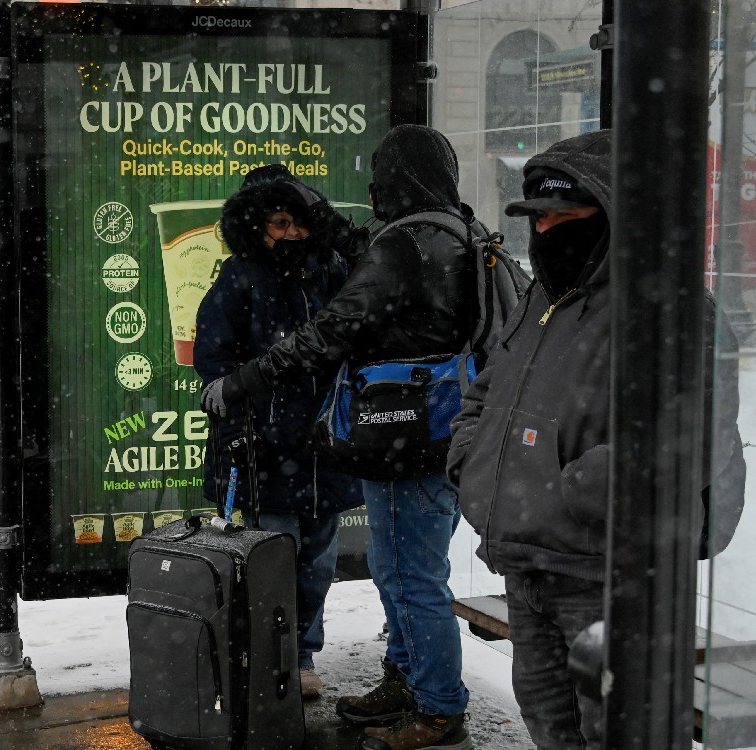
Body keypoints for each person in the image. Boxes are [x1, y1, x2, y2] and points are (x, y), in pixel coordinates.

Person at [446, 129, 746, 750]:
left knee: (617, 734)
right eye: (538, 217)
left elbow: (687, 440)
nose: (547, 231)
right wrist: (471, 459)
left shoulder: (668, 306)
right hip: (528, 568)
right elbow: (488, 390)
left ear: (613, 216)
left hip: (607, 579)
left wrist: (567, 492)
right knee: (553, 730)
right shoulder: (543, 297)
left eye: (564, 215)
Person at [202, 125, 475, 750]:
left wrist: (254, 375)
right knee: (393, 568)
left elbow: (337, 326)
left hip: (400, 435)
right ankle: (405, 680)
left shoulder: (410, 243)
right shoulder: (454, 232)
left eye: (382, 175)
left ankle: (436, 706)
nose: (375, 188)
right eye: (280, 221)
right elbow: (372, 269)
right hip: (410, 433)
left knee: (406, 575)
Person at [195, 164, 364, 700]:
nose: (291, 234)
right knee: (274, 560)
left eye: (299, 222)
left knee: (317, 563)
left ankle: (304, 654)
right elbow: (212, 360)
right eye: (279, 223)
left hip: (325, 447)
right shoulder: (238, 277)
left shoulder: (334, 268)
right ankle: (275, 658)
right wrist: (250, 407)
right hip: (266, 448)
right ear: (254, 225)